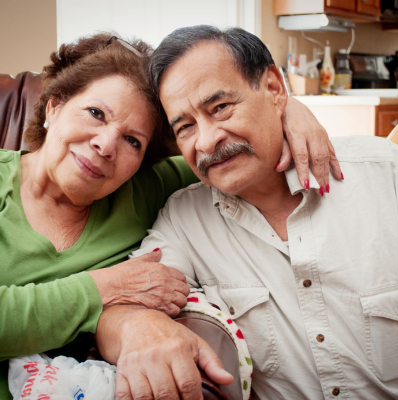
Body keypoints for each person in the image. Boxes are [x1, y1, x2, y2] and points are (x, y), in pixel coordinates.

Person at [0, 32, 341, 399]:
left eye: (133, 140)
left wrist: (286, 110)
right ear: (54, 107)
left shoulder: (143, 188)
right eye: (96, 114)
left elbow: (222, 150)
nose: (106, 145)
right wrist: (102, 289)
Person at [95, 26, 398, 400]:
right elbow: (122, 303)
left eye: (220, 107)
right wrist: (137, 325)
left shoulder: (387, 176)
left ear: (273, 89)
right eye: (186, 127)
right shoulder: (185, 219)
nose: (207, 141)